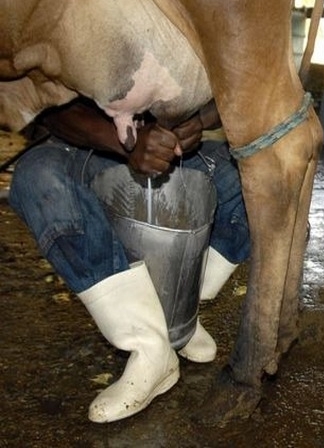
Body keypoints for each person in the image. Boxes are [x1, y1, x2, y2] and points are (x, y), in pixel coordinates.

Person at [8, 97, 250, 423]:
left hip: (172, 151)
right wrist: (124, 144)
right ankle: (151, 347)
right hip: (88, 149)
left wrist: (199, 120)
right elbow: (48, 108)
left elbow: (231, 85)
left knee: (262, 176)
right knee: (37, 177)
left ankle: (178, 315)